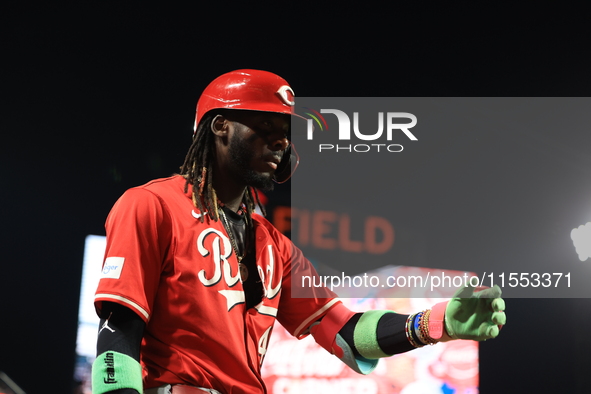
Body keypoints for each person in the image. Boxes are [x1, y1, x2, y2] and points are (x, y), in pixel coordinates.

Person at [92, 69, 506, 394]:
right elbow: (117, 331)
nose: (280, 144)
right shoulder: (151, 205)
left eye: (286, 134)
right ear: (220, 126)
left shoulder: (275, 247)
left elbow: (348, 332)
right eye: (266, 128)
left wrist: (437, 324)